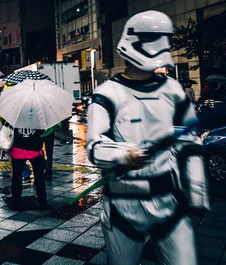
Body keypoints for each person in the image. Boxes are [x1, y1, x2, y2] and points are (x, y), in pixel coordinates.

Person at [85, 11, 208, 265]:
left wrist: (196, 191)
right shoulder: (108, 93)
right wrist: (124, 154)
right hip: (123, 205)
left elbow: (190, 140)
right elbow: (95, 148)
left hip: (169, 203)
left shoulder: (173, 89)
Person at [7, 126, 49, 210]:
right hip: (35, 148)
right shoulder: (38, 115)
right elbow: (42, 133)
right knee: (39, 176)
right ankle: (42, 202)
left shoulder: (17, 115)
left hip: (19, 147)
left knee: (16, 176)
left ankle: (15, 202)